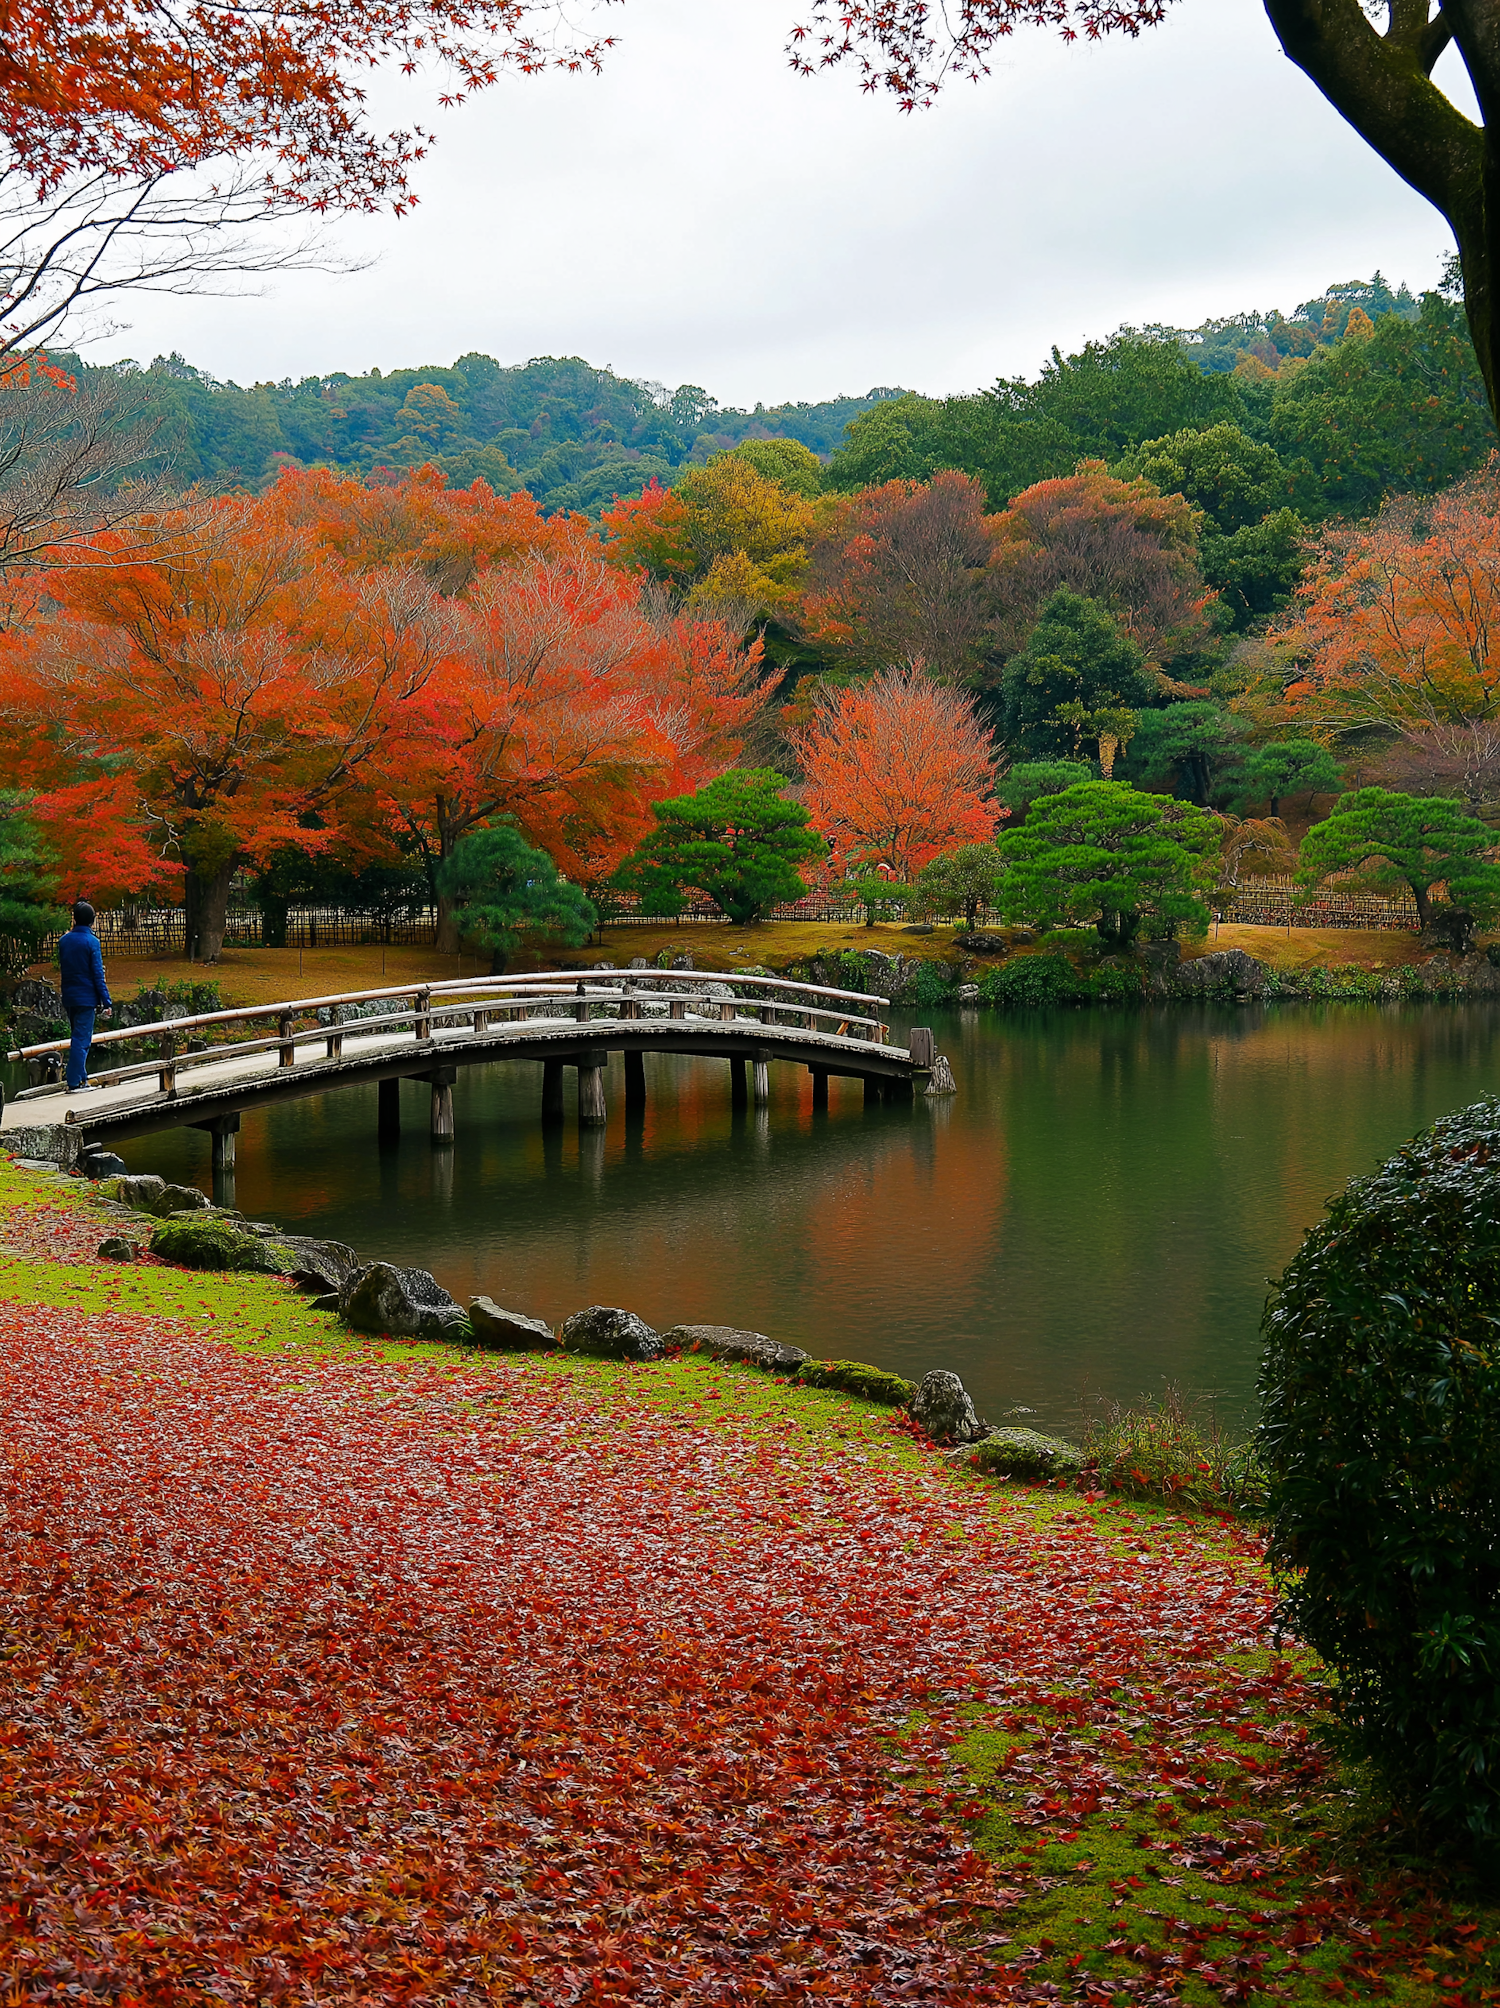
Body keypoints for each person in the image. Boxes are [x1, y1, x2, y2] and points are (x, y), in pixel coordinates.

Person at [58, 900, 112, 1092]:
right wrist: (106, 1000)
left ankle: (82, 1079)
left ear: (74, 918)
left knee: (77, 1037)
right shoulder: (92, 942)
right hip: (86, 997)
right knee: (82, 1041)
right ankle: (74, 1083)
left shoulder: (64, 941)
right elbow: (98, 974)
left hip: (69, 995)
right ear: (92, 920)